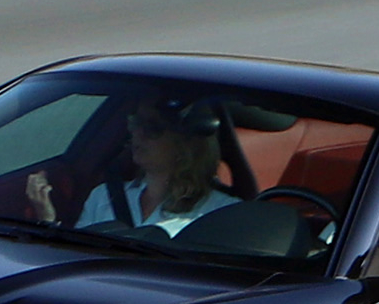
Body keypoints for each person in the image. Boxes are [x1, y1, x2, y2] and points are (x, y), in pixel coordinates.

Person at [28, 98, 236, 236]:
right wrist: (47, 220)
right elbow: (77, 256)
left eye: (152, 128)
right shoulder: (102, 197)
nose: (138, 133)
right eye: (136, 123)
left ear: (186, 144)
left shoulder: (221, 212)